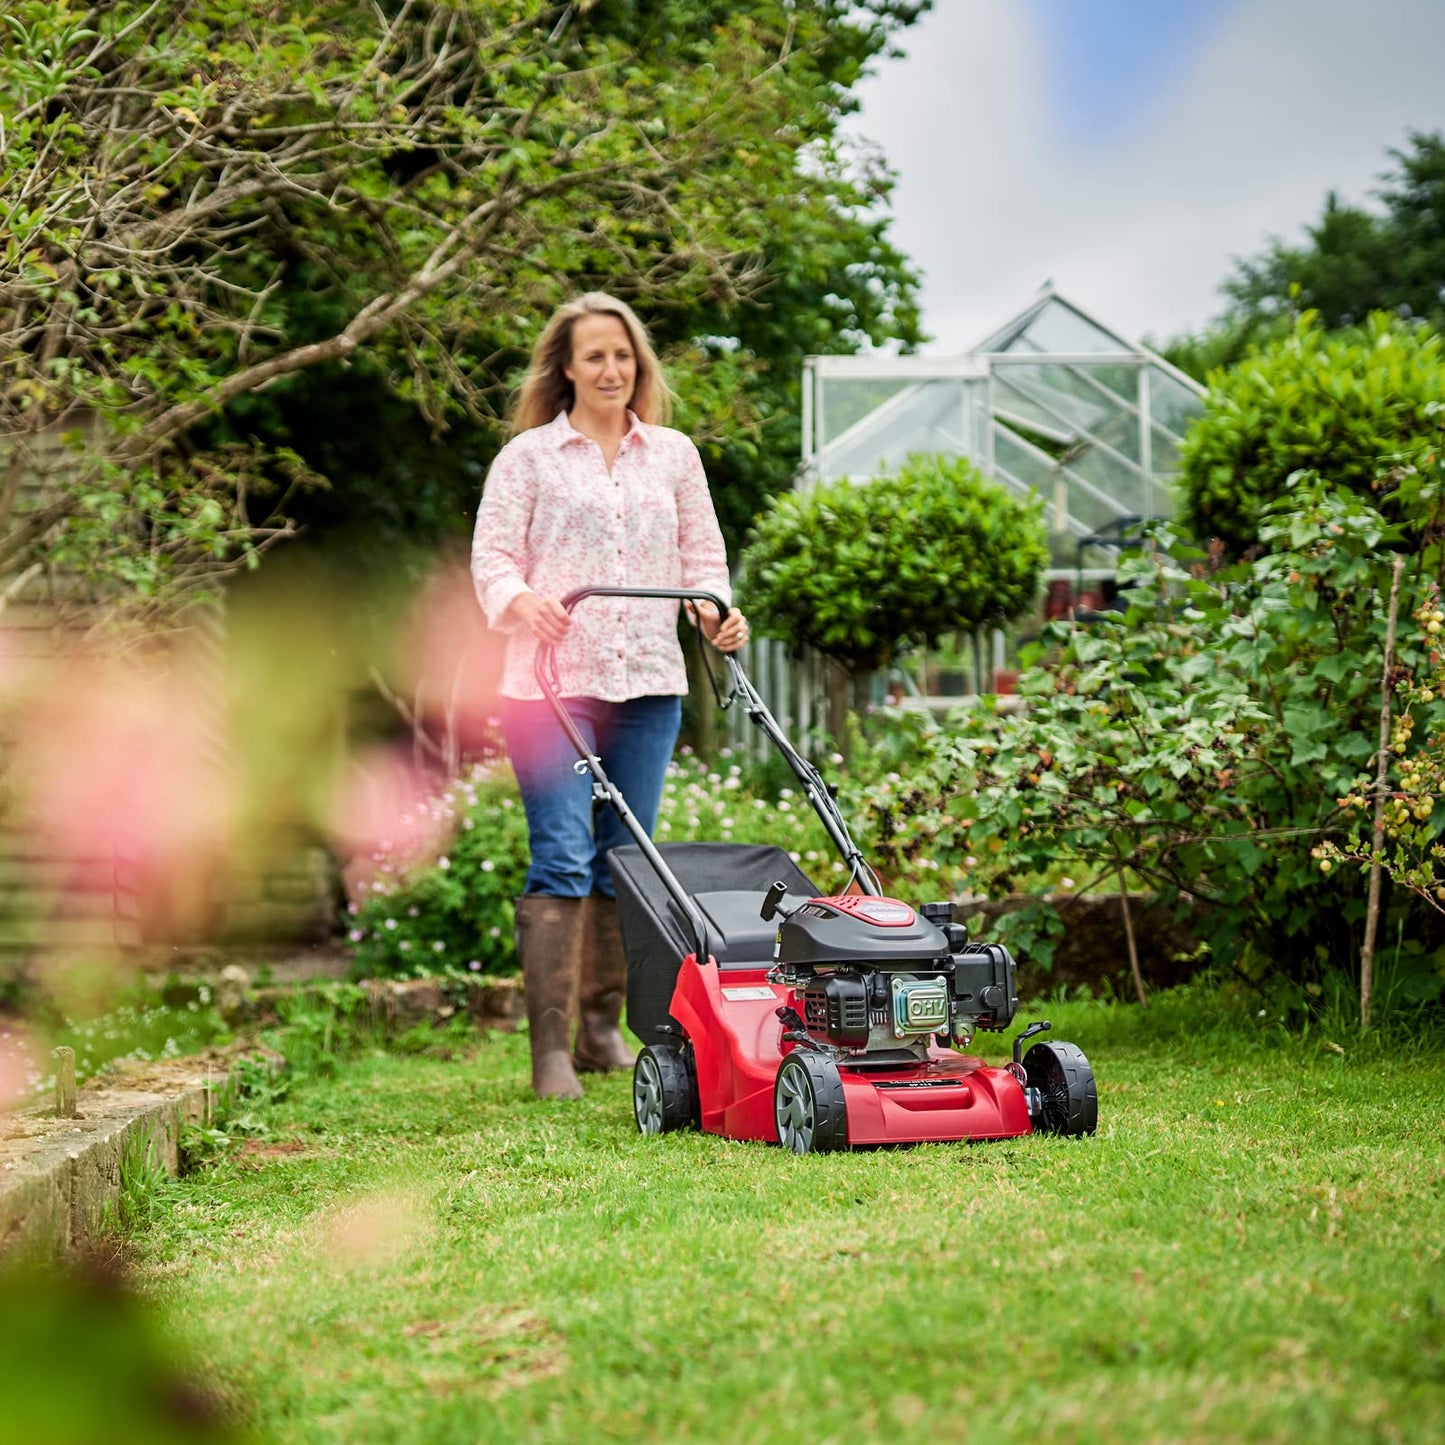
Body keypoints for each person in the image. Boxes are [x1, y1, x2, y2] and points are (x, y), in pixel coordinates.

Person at [471, 293, 748, 1099]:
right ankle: (550, 1050)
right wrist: (519, 601)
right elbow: (492, 558)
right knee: (559, 854)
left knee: (625, 862)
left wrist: (713, 611)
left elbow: (703, 557)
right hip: (548, 688)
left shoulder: (673, 455)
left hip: (647, 684)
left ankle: (599, 1029)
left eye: (622, 355)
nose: (611, 369)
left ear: (639, 364)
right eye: (594, 355)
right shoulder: (527, 458)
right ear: (565, 366)